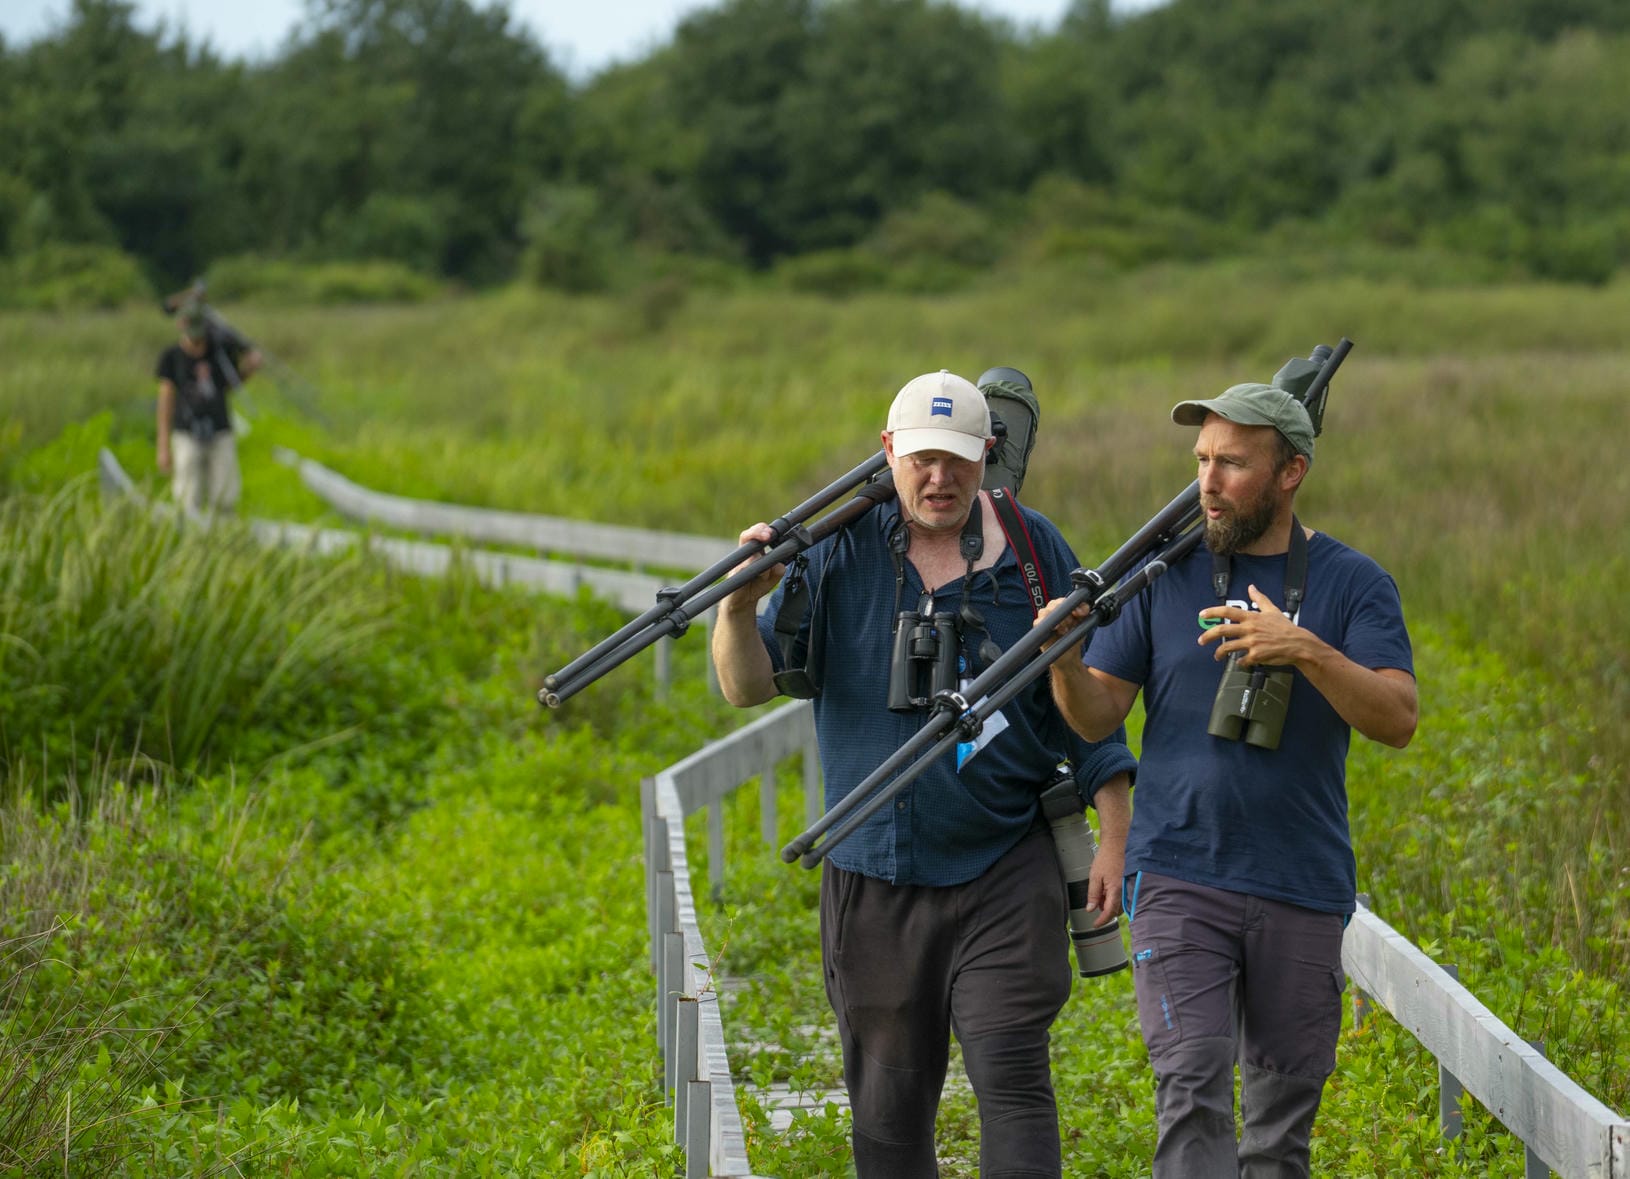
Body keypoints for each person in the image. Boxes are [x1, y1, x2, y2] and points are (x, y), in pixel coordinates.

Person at [711, 369, 1136, 1178]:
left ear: (988, 455)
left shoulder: (1038, 552)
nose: (939, 479)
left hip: (1004, 865)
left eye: (959, 461)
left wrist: (1114, 834)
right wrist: (736, 606)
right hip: (873, 870)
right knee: (888, 1108)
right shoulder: (833, 547)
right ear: (888, 451)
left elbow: (1088, 717)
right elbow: (745, 684)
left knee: (1012, 1074)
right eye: (922, 460)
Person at [1040, 382, 1418, 1177]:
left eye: (1232, 463)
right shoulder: (1159, 572)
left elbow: (1397, 718)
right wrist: (1066, 661)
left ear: (1292, 472)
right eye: (1201, 460)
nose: (1206, 482)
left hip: (1301, 881)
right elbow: (1097, 717)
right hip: (1179, 872)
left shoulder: (1354, 583)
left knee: (1280, 1130)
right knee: (1192, 1081)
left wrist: (1305, 648)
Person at [155, 298, 260, 516]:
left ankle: (221, 536)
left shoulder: (219, 353)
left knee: (224, 496)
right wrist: (163, 445)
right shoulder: (172, 357)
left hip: (220, 430)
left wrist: (249, 368)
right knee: (187, 496)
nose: (196, 339)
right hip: (186, 431)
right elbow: (166, 401)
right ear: (182, 326)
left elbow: (230, 385)